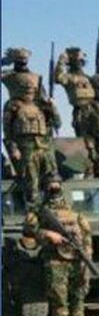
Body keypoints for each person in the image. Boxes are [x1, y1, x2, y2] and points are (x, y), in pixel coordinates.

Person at [23, 175, 93, 316]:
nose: (54, 187)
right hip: (54, 258)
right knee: (58, 295)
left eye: (56, 184)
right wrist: (48, 234)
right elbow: (27, 232)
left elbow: (86, 232)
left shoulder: (72, 209)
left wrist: (87, 253)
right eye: (50, 184)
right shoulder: (38, 211)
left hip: (76, 257)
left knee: (78, 293)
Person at [3, 46, 60, 200]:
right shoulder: (13, 105)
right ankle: (32, 209)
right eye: (25, 87)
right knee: (30, 182)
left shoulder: (41, 106)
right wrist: (13, 148)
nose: (29, 90)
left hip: (44, 147)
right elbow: (7, 131)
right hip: (25, 147)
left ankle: (52, 205)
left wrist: (52, 108)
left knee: (52, 181)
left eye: (32, 88)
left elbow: (56, 124)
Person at [53, 47, 95, 138]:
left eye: (81, 61)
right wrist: (61, 61)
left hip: (94, 110)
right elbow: (58, 78)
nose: (80, 64)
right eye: (77, 61)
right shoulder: (69, 77)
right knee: (83, 138)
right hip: (81, 111)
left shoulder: (88, 78)